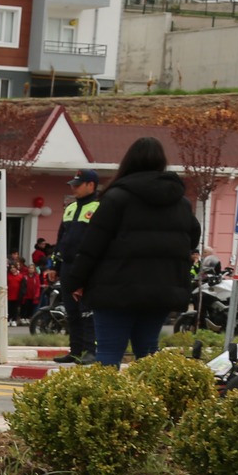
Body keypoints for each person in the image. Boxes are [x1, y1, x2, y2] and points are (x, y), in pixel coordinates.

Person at [60, 136, 201, 366]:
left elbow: (92, 246)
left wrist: (76, 281)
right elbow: (192, 236)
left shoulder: (116, 198)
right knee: (148, 352)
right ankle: (149, 400)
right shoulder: (181, 202)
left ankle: (108, 402)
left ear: (128, 161)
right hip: (162, 289)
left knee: (108, 353)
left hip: (116, 289)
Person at [57, 168, 103, 363]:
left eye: (78, 184)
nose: (74, 188)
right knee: (72, 312)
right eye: (72, 185)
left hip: (87, 267)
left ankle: (91, 350)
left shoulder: (99, 207)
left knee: (87, 311)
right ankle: (75, 350)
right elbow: (61, 237)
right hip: (67, 267)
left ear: (91, 185)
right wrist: (53, 264)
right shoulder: (70, 208)